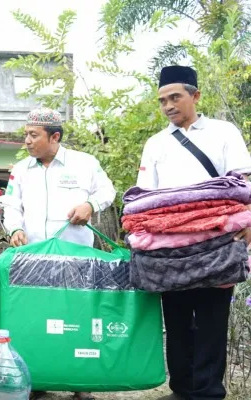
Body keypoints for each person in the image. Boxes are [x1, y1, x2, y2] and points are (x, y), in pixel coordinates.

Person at [137, 65, 251, 400]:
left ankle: (209, 392)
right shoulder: (155, 143)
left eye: (175, 97)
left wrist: (248, 221)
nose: (168, 105)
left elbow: (243, 181)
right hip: (170, 248)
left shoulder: (223, 132)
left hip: (218, 241)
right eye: (162, 100)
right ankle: (182, 389)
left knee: (212, 320)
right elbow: (146, 196)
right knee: (176, 321)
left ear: (195, 96)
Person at [3, 107, 116, 400]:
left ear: (54, 137)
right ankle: (38, 379)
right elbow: (11, 205)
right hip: (33, 258)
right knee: (34, 317)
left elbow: (108, 191)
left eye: (33, 135)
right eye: (25, 134)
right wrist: (14, 229)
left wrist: (90, 206)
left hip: (75, 258)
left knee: (76, 316)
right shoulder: (21, 170)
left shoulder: (84, 163)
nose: (26, 141)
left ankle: (80, 383)